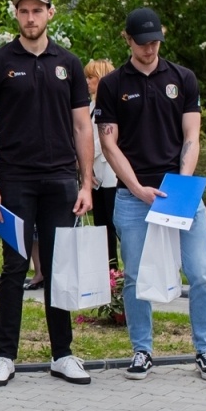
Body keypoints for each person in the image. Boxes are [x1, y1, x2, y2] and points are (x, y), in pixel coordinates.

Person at [94, 7, 206, 381]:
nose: (149, 49)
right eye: (142, 43)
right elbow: (109, 144)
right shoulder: (113, 84)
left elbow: (192, 137)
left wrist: (182, 185)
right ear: (127, 40)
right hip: (134, 196)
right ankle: (142, 349)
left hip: (180, 192)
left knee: (201, 273)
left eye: (155, 42)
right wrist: (136, 187)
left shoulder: (182, 78)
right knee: (135, 275)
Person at [0, 0, 95, 387]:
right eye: (23, 11)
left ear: (50, 13)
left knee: (59, 269)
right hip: (14, 178)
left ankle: (62, 354)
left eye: (37, 11)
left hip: (61, 179)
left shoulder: (70, 63)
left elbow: (82, 126)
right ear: (16, 15)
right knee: (14, 267)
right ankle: (5, 355)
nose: (30, 18)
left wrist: (87, 183)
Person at [85, 58, 119, 266]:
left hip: (109, 172)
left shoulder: (111, 104)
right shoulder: (89, 105)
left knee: (113, 224)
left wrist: (86, 156)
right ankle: (107, 268)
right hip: (94, 172)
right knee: (101, 224)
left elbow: (102, 139)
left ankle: (114, 267)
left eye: (91, 77)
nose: (87, 82)